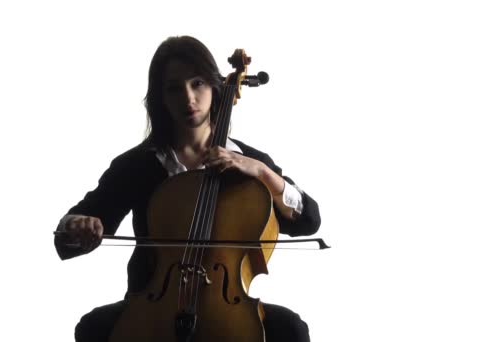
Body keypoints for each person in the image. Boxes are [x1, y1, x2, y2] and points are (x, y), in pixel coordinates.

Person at [54, 35, 321, 342]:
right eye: (173, 88)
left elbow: (308, 220)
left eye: (197, 83)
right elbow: (69, 232)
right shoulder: (137, 165)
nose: (188, 98)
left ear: (214, 87)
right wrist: (78, 226)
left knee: (291, 331)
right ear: (160, 97)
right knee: (93, 328)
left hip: (228, 307)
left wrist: (262, 173)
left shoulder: (249, 164)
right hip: (154, 307)